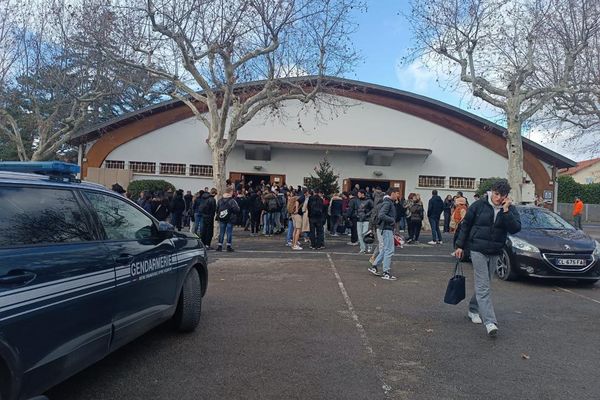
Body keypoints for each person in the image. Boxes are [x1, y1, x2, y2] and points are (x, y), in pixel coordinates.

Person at [454, 180, 521, 337]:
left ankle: (472, 309)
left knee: (485, 284)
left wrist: (505, 211)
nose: (499, 198)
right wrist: (459, 246)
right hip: (477, 249)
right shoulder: (479, 205)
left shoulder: (509, 209)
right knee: (483, 285)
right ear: (492, 192)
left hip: (495, 250)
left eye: (502, 195)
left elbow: (515, 228)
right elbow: (466, 225)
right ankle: (490, 322)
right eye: (497, 194)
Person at [367, 187, 401, 280]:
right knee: (389, 250)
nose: (398, 195)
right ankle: (386, 272)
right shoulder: (387, 202)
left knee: (385, 250)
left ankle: (374, 266)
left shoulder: (387, 202)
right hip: (386, 229)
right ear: (392, 193)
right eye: (397, 193)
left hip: (384, 228)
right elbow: (381, 215)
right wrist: (392, 220)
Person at [216, 187, 240, 252]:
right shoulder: (232, 200)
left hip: (222, 218)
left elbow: (217, 209)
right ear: (230, 192)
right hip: (230, 218)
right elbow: (237, 209)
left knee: (221, 232)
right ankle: (228, 246)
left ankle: (219, 246)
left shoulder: (220, 200)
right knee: (229, 232)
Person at [356, 189, 374, 254]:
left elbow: (373, 208)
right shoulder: (357, 200)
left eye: (359, 194)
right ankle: (362, 248)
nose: (358, 195)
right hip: (359, 219)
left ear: (363, 194)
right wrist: (356, 214)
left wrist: (367, 214)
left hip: (366, 219)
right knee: (359, 235)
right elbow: (356, 208)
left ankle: (369, 246)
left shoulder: (369, 200)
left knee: (365, 233)